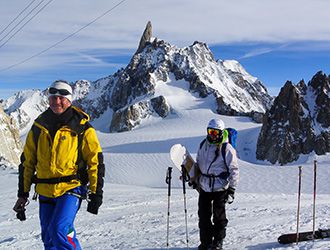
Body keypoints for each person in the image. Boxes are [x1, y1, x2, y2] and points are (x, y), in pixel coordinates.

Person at [13, 80, 105, 250]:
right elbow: (27, 162)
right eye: (53, 97)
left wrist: (96, 193)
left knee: (59, 231)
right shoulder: (39, 126)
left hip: (71, 188)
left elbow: (95, 162)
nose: (57, 101)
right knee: (48, 237)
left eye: (62, 97)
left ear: (69, 100)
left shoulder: (82, 127)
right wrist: (23, 194)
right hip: (45, 190)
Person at [190, 118, 239, 250]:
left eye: (215, 132)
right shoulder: (203, 145)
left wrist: (232, 189)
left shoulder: (227, 148)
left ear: (221, 133)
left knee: (219, 217)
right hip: (204, 187)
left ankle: (218, 242)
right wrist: (194, 178)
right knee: (203, 216)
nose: (212, 135)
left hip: (220, 187)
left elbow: (234, 169)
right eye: (210, 131)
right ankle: (205, 242)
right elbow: (199, 164)